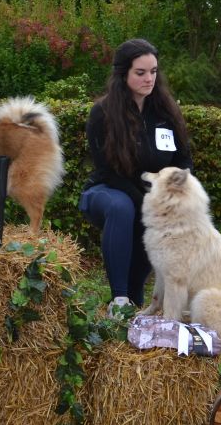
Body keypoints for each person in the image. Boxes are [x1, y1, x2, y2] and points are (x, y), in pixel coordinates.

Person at [79, 39, 194, 315]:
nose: (149, 78)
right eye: (140, 72)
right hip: (106, 191)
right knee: (124, 206)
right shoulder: (103, 113)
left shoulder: (165, 112)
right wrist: (148, 200)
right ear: (123, 74)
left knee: (148, 213)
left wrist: (174, 198)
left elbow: (183, 162)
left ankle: (134, 300)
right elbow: (107, 170)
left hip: (149, 197)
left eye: (153, 71)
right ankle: (118, 299)